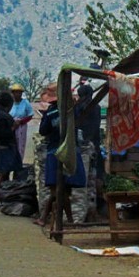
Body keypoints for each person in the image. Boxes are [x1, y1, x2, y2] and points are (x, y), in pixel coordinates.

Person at [35, 84, 87, 226]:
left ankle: (47, 218)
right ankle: (67, 220)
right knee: (65, 191)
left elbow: (43, 131)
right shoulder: (73, 109)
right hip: (71, 151)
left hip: (55, 151)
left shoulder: (51, 112)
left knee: (56, 190)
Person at [0, 91, 22, 206]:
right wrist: (14, 127)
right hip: (6, 148)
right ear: (9, 105)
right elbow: (4, 133)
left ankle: (2, 195)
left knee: (5, 173)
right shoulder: (3, 117)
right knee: (3, 173)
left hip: (2, 147)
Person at [9, 83, 34, 161]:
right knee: (11, 145)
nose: (17, 94)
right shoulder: (10, 103)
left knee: (20, 145)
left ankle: (19, 161)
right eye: (15, 92)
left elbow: (30, 115)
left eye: (19, 92)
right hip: (11, 125)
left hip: (21, 126)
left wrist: (21, 122)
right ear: (12, 93)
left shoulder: (25, 103)